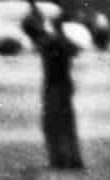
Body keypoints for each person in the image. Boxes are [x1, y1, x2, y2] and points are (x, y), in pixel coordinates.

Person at [25, 3, 84, 169]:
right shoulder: (62, 40)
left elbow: (33, 28)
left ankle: (59, 159)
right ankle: (72, 158)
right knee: (67, 122)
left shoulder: (49, 41)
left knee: (52, 123)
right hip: (65, 84)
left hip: (53, 85)